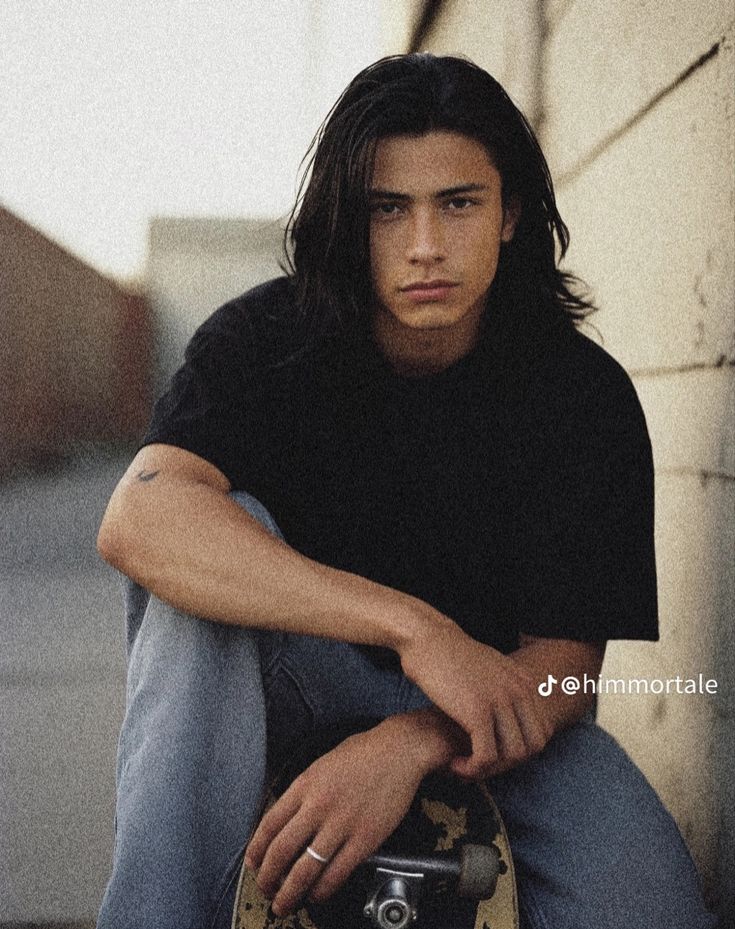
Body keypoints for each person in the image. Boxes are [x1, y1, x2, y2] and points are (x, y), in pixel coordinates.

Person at [95, 53, 715, 929]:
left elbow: (563, 672)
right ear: (350, 222)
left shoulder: (581, 393)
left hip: (488, 713)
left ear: (508, 214)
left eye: (458, 202)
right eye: (389, 209)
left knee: (651, 908)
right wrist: (413, 628)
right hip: (284, 686)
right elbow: (139, 519)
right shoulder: (266, 340)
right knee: (213, 535)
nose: (425, 244)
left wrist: (411, 741)